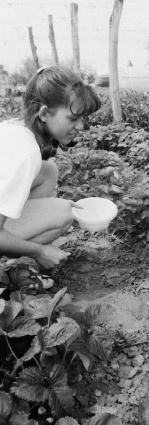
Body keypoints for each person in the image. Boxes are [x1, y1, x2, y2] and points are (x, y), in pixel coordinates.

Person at [0, 65, 101, 286]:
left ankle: (15, 248)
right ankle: (19, 269)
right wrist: (39, 250)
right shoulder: (24, 155)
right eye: (73, 118)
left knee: (48, 171)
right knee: (64, 212)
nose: (81, 126)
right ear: (45, 113)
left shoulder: (13, 128)